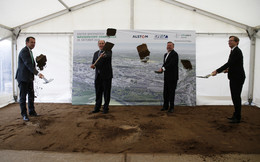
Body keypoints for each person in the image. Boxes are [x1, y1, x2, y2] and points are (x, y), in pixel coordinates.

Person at [212, 36, 246, 123]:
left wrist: (217, 71)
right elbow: (235, 64)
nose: (229, 42)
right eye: (229, 41)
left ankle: (237, 117)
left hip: (237, 78)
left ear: (237, 42)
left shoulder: (237, 51)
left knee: (236, 97)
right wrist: (228, 70)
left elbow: (229, 63)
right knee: (235, 97)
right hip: (235, 77)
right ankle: (235, 115)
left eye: (231, 41)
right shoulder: (234, 51)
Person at [15, 37, 44, 121]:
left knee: (31, 96)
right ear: (26, 43)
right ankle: (24, 114)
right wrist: (38, 73)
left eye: (34, 42)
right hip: (23, 78)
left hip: (29, 78)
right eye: (31, 42)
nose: (33, 44)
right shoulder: (24, 51)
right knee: (23, 97)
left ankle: (32, 112)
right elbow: (28, 65)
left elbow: (31, 64)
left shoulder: (29, 51)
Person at [90, 40, 113, 114]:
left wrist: (103, 56)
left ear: (105, 44)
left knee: (106, 93)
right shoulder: (96, 53)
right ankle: (97, 107)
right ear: (98, 44)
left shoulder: (108, 51)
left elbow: (108, 56)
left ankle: (105, 108)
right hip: (98, 76)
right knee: (98, 93)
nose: (101, 44)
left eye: (102, 43)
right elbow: (94, 64)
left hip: (106, 76)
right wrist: (93, 66)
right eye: (100, 43)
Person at [157, 41, 179, 113]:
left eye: (170, 45)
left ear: (173, 47)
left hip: (173, 77)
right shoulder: (165, 54)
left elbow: (171, 64)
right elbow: (165, 64)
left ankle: (171, 107)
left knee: (171, 92)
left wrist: (162, 69)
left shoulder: (175, 54)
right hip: (166, 77)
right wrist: (161, 69)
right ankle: (165, 106)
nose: (168, 46)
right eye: (168, 45)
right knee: (165, 92)